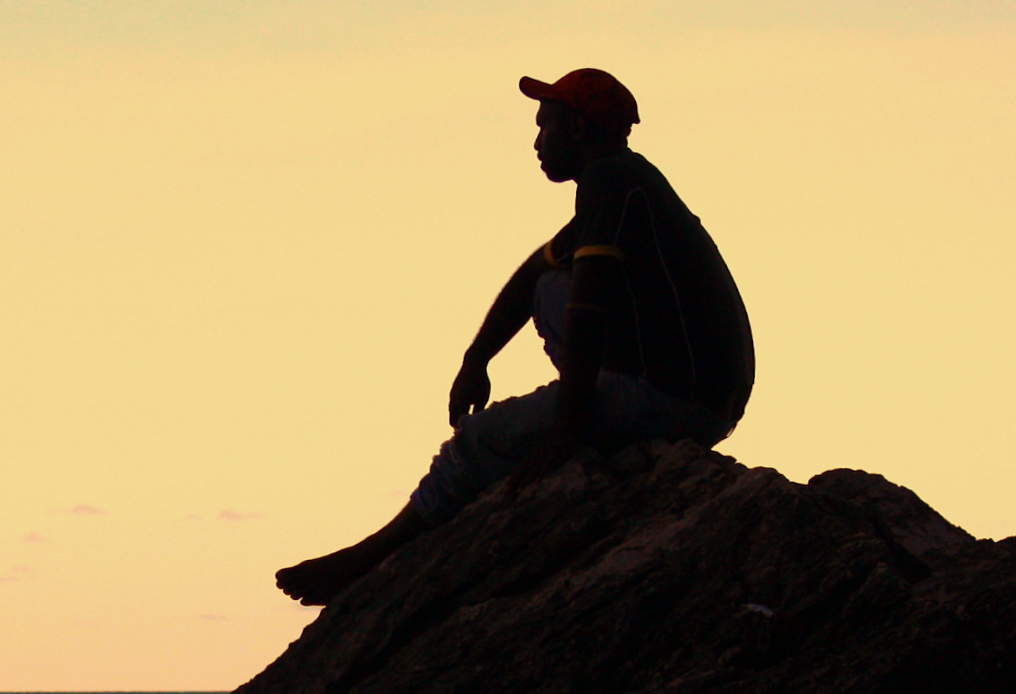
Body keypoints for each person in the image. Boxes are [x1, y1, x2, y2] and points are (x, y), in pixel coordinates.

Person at [275, 69, 753, 605]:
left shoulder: (611, 183)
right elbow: (534, 274)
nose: (536, 142)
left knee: (478, 439)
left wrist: (566, 428)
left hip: (675, 401)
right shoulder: (624, 182)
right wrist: (475, 359)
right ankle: (562, 430)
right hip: (694, 396)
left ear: (574, 128)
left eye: (544, 125)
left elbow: (589, 309)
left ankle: (368, 561)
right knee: (550, 285)